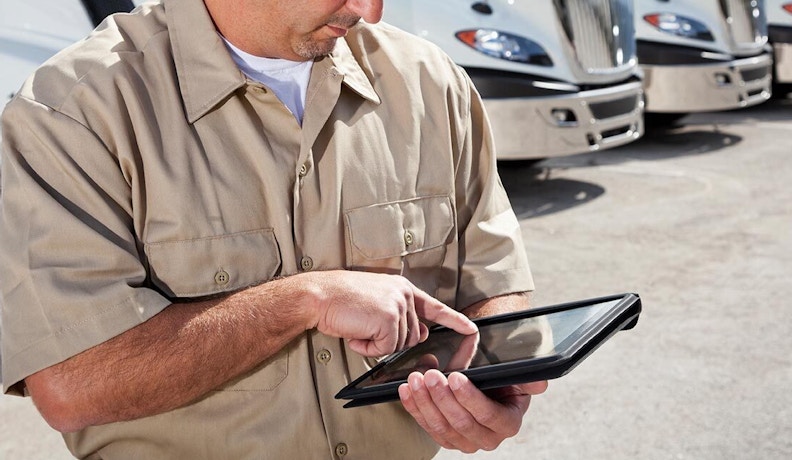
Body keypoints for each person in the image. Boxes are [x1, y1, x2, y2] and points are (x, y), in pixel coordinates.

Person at [0, 0, 547, 458]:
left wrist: (494, 385)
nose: (370, 11)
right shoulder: (71, 112)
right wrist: (305, 300)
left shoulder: (431, 83)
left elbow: (492, 281)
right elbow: (74, 385)